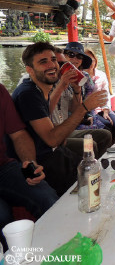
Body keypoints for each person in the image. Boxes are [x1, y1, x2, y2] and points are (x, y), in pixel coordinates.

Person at [10, 42, 108, 196]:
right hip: (40, 159)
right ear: (30, 70)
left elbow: (50, 125)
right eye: (43, 62)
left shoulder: (41, 88)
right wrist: (85, 107)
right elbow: (51, 139)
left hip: (50, 148)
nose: (53, 65)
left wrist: (77, 92)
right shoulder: (28, 93)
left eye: (54, 60)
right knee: (88, 178)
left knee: (90, 170)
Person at [0, 83, 58, 250]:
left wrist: (30, 164)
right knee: (2, 215)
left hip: (3, 167)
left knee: (47, 196)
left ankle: (57, 249)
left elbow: (18, 135)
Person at [50, 42, 112, 158]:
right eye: (71, 55)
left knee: (107, 132)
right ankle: (89, 170)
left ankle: (100, 166)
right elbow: (48, 109)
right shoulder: (49, 81)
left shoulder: (81, 79)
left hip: (74, 121)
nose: (75, 59)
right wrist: (62, 84)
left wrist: (77, 90)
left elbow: (76, 109)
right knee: (90, 144)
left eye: (79, 56)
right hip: (60, 129)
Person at [83, 48, 115, 143]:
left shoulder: (101, 75)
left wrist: (106, 111)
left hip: (102, 108)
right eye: (87, 60)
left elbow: (105, 95)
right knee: (106, 126)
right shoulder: (80, 77)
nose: (90, 63)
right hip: (87, 111)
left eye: (92, 60)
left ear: (95, 61)